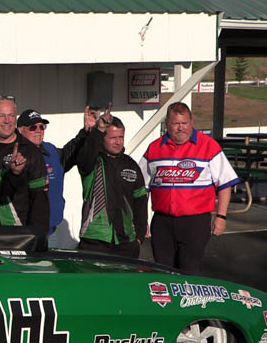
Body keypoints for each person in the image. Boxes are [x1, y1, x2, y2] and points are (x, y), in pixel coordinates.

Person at [139, 102, 240, 274]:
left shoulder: (209, 146)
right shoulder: (154, 148)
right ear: (167, 124)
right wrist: (142, 220)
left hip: (195, 222)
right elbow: (142, 187)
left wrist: (221, 216)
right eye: (175, 123)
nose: (180, 128)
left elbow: (224, 183)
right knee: (162, 272)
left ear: (191, 121)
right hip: (162, 222)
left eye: (184, 123)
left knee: (190, 271)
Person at [0, 96, 49, 234]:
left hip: (17, 234)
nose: (7, 120)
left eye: (11, 115)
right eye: (1, 115)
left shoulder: (31, 151)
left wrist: (38, 238)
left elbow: (39, 202)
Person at [76, 115, 147, 258]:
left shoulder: (131, 165)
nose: (118, 142)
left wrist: (139, 237)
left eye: (121, 137)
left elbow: (141, 202)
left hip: (126, 241)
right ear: (103, 138)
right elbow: (87, 154)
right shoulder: (92, 162)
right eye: (113, 138)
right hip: (94, 240)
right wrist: (99, 129)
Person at [15, 108, 91, 235]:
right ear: (20, 130)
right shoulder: (15, 154)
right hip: (25, 230)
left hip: (51, 229)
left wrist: (85, 133)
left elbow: (69, 154)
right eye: (33, 127)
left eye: (42, 126)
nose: (39, 130)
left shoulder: (50, 150)